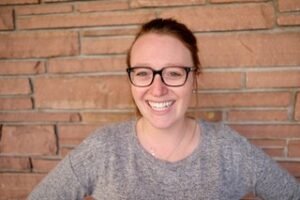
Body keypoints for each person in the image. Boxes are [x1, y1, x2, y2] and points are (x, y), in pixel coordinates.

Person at [28, 18, 300, 200]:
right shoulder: (103, 149)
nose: (157, 89)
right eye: (144, 73)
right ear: (132, 79)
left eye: (172, 73)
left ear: (194, 78)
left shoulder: (228, 149)